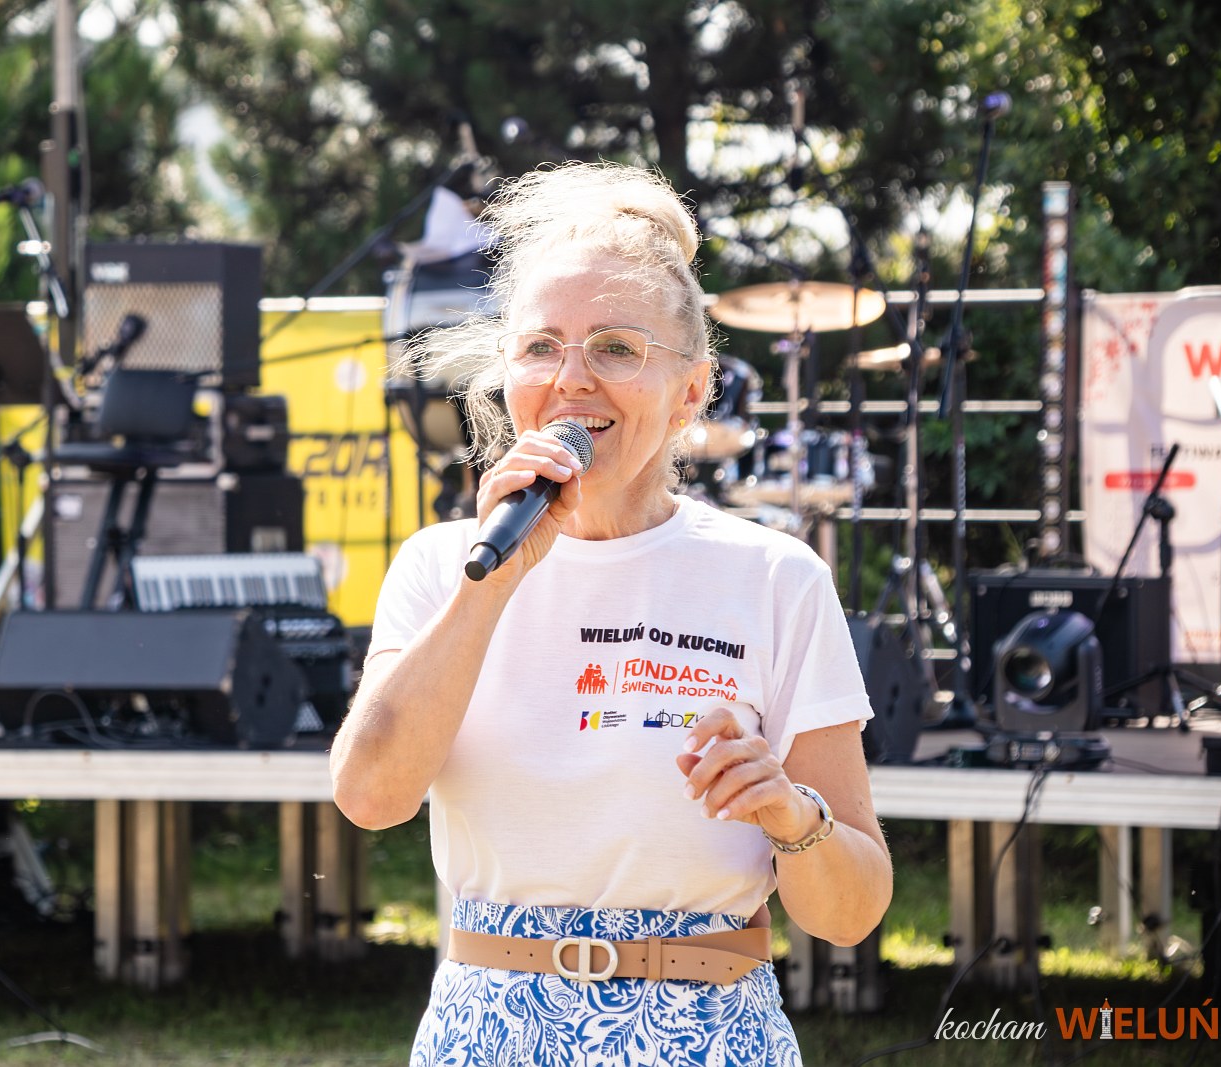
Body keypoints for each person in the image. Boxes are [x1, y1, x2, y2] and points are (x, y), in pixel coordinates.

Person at [331, 162, 892, 1066]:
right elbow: (369, 796)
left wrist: (791, 815)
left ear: (692, 391)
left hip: (707, 1035)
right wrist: (491, 585)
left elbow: (853, 912)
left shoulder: (774, 577)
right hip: (491, 1036)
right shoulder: (446, 565)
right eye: (540, 346)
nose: (572, 380)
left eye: (617, 348)